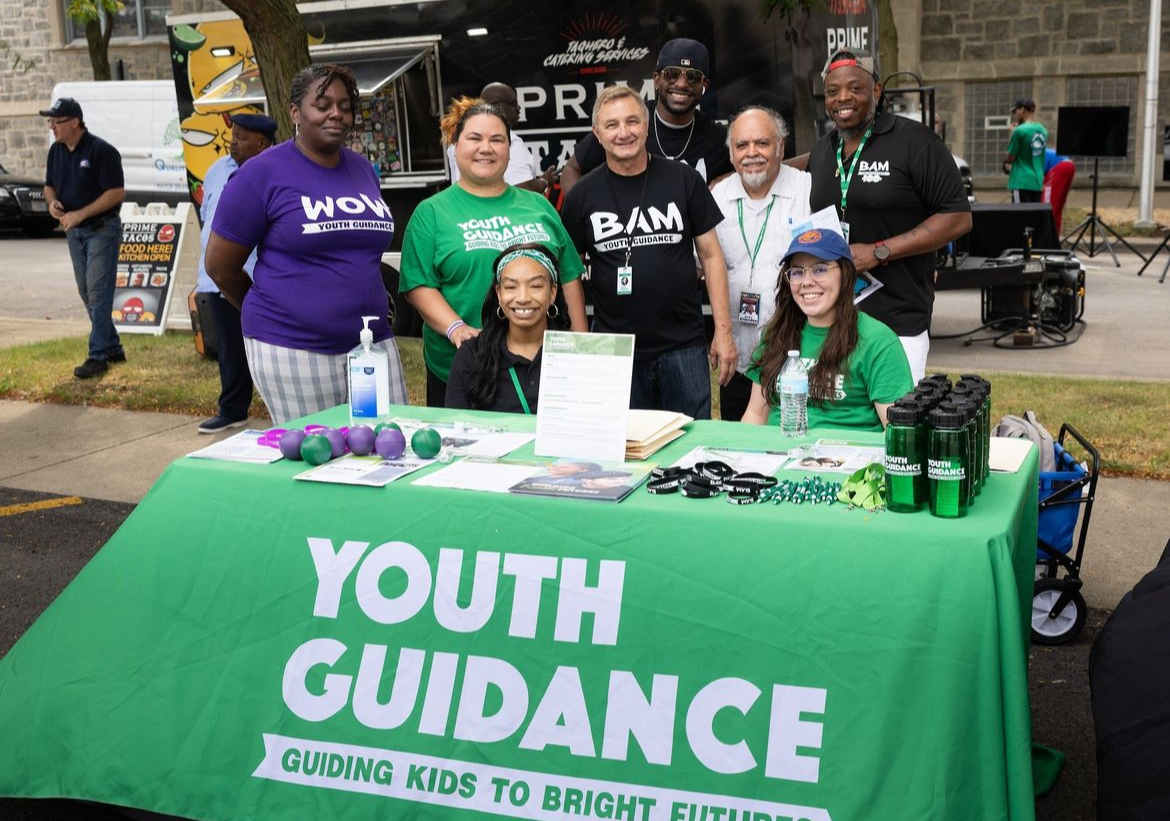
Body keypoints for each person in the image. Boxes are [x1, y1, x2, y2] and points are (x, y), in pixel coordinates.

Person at [205, 64, 407, 425]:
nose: (336, 114)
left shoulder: (362, 170)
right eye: (323, 105)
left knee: (389, 442)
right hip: (292, 347)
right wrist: (275, 310)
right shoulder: (260, 174)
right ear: (295, 113)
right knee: (317, 452)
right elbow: (220, 267)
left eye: (344, 106)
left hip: (372, 344)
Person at [561, 85, 737, 420]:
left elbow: (712, 255)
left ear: (646, 126)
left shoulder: (683, 179)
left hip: (684, 345)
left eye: (632, 121)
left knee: (691, 441)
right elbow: (569, 269)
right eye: (612, 125)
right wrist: (582, 339)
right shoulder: (582, 195)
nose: (623, 132)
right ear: (597, 133)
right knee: (625, 444)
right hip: (615, 350)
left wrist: (723, 332)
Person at [400, 97, 587, 408]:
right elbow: (418, 284)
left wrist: (581, 343)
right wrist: (456, 328)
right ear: (455, 146)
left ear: (509, 149)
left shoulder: (538, 206)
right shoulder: (431, 212)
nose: (486, 148)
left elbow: (568, 275)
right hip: (462, 370)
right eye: (475, 138)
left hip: (541, 367)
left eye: (497, 140)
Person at [807, 49, 971, 382]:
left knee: (897, 414)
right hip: (834, 321)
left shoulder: (916, 142)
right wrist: (737, 172)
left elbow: (957, 217)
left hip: (898, 322)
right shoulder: (825, 150)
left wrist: (879, 251)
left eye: (855, 88)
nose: (843, 98)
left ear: (877, 91)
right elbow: (794, 167)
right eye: (833, 91)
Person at [742, 228, 912, 431]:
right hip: (780, 448)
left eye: (820, 269)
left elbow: (898, 432)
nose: (806, 282)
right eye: (797, 272)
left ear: (845, 275)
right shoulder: (776, 334)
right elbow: (756, 414)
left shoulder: (878, 341)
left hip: (848, 451)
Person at [710, 105, 812, 422]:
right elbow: (701, 266)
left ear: (781, 147)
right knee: (740, 443)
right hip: (739, 357)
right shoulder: (716, 197)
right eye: (742, 145)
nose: (751, 153)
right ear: (731, 154)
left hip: (798, 357)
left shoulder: (807, 189)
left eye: (762, 143)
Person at [559, 38, 733, 194]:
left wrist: (731, 178)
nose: (681, 84)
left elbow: (748, 169)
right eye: (672, 74)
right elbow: (571, 170)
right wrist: (589, 211)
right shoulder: (631, 124)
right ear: (657, 80)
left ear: (704, 85)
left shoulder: (717, 138)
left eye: (693, 77)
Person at [193, 113, 276, 433]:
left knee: (270, 347)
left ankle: (280, 408)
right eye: (233, 136)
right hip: (216, 277)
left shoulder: (273, 171)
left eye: (241, 138)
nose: (233, 143)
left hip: (255, 276)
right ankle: (233, 409)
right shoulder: (218, 170)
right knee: (229, 348)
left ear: (262, 143)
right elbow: (207, 216)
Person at [41, 97, 126, 379]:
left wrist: (80, 214)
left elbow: (116, 192)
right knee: (87, 292)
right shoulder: (56, 151)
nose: (52, 126)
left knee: (99, 293)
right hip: (74, 231)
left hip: (101, 229)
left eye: (57, 121)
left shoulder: (101, 151)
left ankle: (98, 355)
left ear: (74, 122)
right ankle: (113, 346)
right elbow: (49, 186)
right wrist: (53, 203)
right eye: (51, 121)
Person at [445, 243, 570, 414]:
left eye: (535, 286)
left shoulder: (575, 355)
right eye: (511, 287)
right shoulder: (472, 356)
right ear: (499, 293)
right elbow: (455, 423)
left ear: (553, 292)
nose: (523, 298)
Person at [446, 83, 555, 195]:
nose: (518, 108)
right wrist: (544, 181)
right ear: (495, 106)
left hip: (464, 204)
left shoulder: (460, 136)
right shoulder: (508, 139)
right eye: (512, 103)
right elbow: (523, 189)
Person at [1003, 98, 1047, 203]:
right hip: (1037, 181)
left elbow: (1010, 157)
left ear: (1022, 110)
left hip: (1021, 181)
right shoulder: (1043, 130)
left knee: (1020, 213)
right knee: (1034, 213)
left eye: (1016, 111)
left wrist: (1012, 134)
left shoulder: (1019, 131)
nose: (1015, 115)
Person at [1042, 148, 1076, 234]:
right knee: (1057, 208)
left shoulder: (1028, 158)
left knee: (1046, 206)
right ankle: (1054, 235)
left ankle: (1047, 236)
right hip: (1069, 165)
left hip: (1059, 167)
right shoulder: (1039, 149)